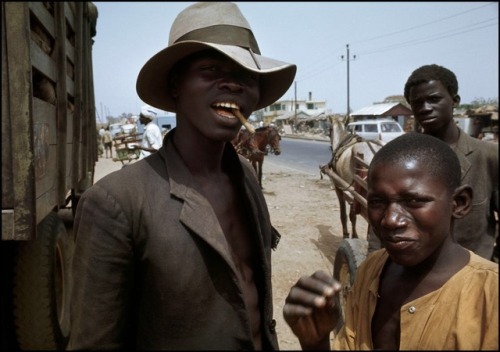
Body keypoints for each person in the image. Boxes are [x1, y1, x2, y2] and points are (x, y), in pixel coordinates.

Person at [68, 2, 296, 350]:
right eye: (211, 69)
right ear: (176, 85)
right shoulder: (117, 202)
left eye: (247, 75)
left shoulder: (247, 177)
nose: (233, 85)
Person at [283, 132, 498, 350]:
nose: (390, 220)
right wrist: (315, 342)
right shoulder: (371, 272)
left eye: (414, 201)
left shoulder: (491, 298)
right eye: (377, 202)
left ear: (459, 203)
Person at [403, 64, 498, 261]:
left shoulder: (488, 156)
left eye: (434, 99)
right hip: (418, 275)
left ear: (454, 100)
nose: (425, 108)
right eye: (417, 102)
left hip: (473, 276)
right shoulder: (403, 158)